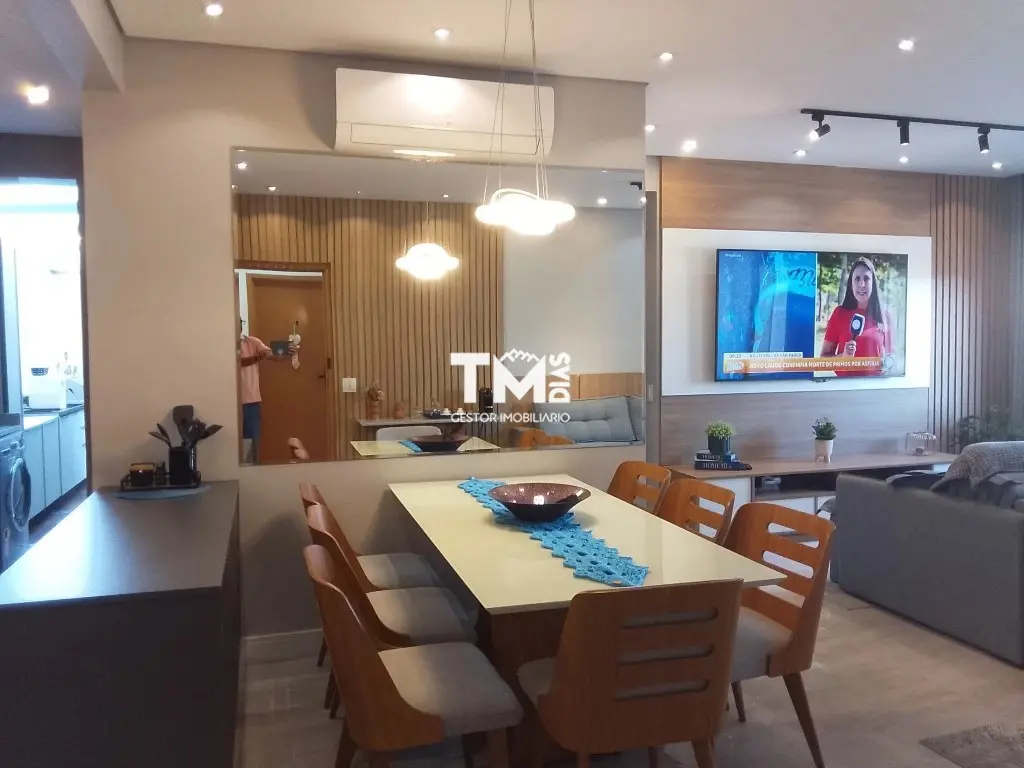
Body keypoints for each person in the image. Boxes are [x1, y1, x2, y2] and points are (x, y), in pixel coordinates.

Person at [820, 256, 892, 377]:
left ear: (873, 283)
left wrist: (885, 364)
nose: (862, 284)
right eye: (857, 279)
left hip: (875, 386)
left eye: (866, 279)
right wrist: (843, 358)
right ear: (851, 284)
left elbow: (893, 359)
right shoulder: (839, 314)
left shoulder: (885, 317)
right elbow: (823, 361)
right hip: (845, 387)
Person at [238, 321, 293, 463]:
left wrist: (285, 352)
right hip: (229, 403)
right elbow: (238, 362)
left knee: (252, 444)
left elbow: (272, 356)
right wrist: (257, 358)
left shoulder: (252, 342)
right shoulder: (222, 345)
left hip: (251, 402)